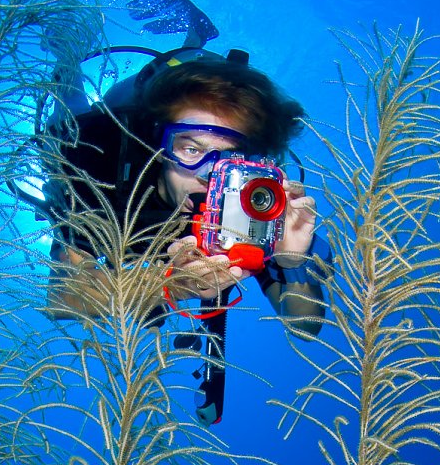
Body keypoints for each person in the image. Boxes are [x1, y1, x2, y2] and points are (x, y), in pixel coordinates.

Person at [46, 53, 329, 334]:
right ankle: (66, 50)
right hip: (94, 138)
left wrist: (291, 264)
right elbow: (62, 298)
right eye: (191, 149)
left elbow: (305, 326)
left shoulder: (251, 209)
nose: (207, 174)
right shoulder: (98, 167)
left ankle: (193, 43)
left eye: (229, 160)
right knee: (66, 110)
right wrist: (171, 285)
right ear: (160, 147)